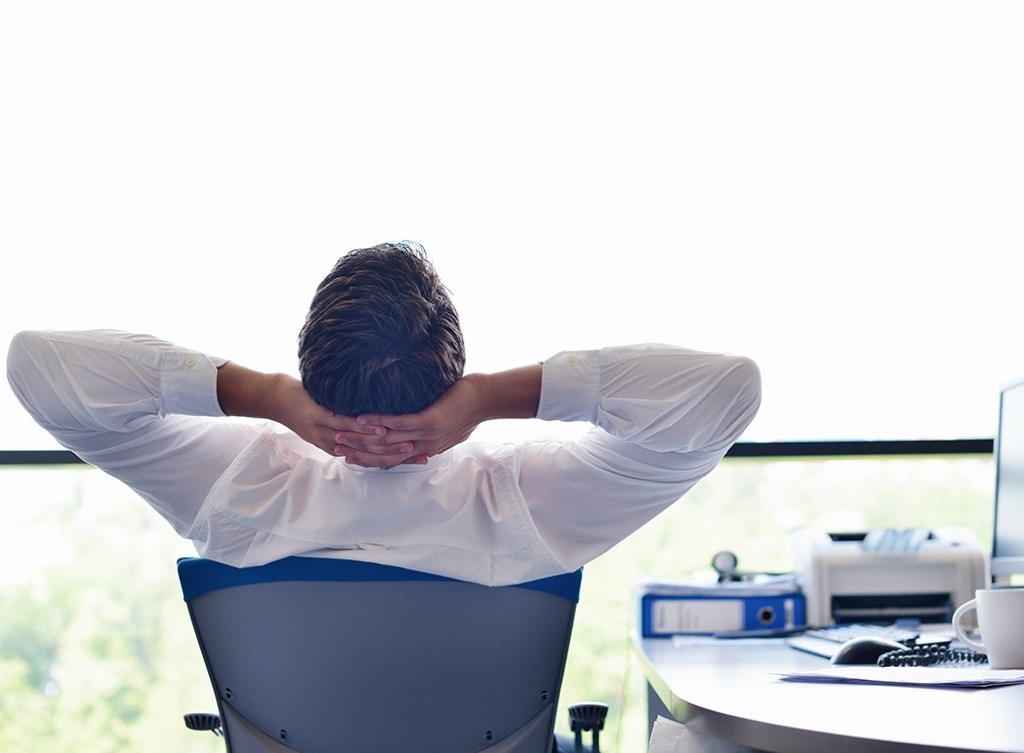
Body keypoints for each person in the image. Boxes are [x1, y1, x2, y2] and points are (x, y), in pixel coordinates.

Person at [6, 241, 761, 587]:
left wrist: (265, 396)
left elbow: (37, 364)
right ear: (450, 374)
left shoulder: (240, 490)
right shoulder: (526, 508)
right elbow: (728, 390)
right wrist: (492, 397)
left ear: (314, 378)